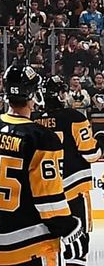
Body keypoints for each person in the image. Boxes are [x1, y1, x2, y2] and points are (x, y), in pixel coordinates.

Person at [0, 64, 82, 266]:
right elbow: (49, 201)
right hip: (32, 242)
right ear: (32, 95)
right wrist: (70, 227)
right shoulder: (42, 138)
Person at [36, 75, 98, 266]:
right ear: (62, 94)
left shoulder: (34, 121)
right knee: (78, 242)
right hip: (73, 189)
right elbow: (91, 154)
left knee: (47, 243)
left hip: (45, 193)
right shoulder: (75, 117)